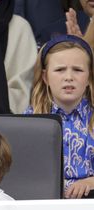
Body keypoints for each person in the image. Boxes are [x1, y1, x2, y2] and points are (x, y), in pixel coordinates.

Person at [24, 34, 94, 199]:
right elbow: (22, 172)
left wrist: (90, 182)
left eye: (77, 70)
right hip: (45, 203)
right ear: (45, 77)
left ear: (89, 77)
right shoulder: (29, 120)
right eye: (60, 69)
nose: (69, 77)